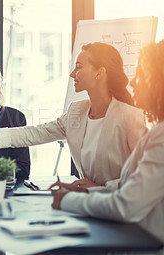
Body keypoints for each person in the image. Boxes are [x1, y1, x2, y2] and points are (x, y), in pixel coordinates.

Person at [0, 42, 147, 190]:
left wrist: (101, 187)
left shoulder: (130, 117)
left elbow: (146, 176)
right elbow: (35, 133)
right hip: (91, 205)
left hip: (122, 210)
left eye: (79, 67)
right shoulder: (77, 111)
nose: (72, 74)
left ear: (100, 73)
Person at [51, 40, 164, 246]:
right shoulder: (157, 131)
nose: (134, 82)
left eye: (141, 75)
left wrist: (67, 200)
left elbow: (127, 205)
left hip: (144, 243)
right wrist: (87, 190)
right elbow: (127, 186)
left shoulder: (159, 136)